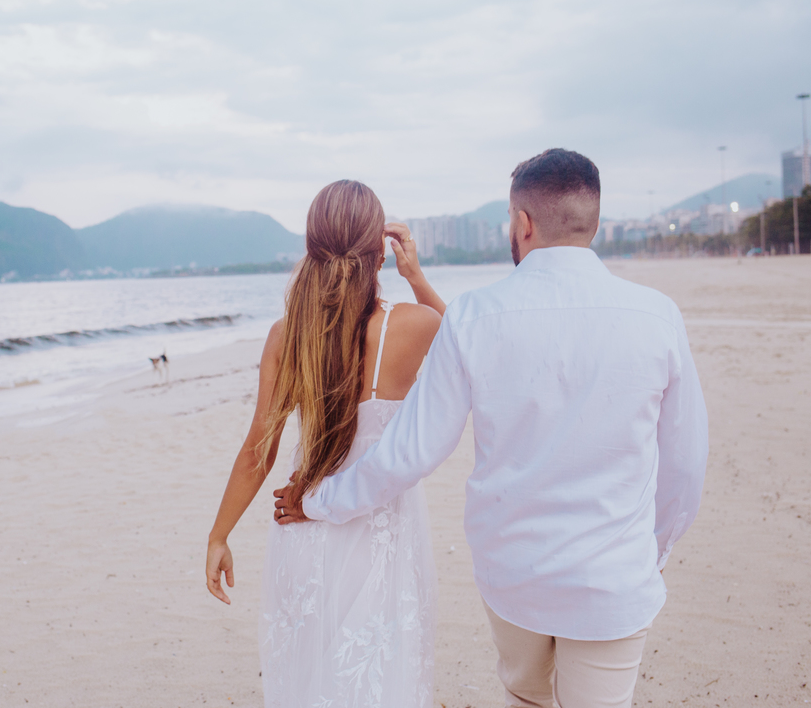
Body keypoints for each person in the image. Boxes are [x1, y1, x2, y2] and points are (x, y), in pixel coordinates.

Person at [276, 149, 710, 708]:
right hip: (614, 579)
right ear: (593, 222)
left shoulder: (476, 316)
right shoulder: (657, 316)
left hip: (515, 574)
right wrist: (648, 552)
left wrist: (321, 500)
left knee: (525, 697)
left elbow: (409, 453)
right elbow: (685, 462)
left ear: (522, 222)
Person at [205, 180, 448, 708]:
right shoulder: (414, 325)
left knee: (310, 686)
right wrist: (416, 277)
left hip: (303, 530)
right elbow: (469, 351)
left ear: (311, 248)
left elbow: (258, 449)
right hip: (382, 535)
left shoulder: (286, 335)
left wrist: (218, 535)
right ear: (381, 250)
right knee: (381, 685)